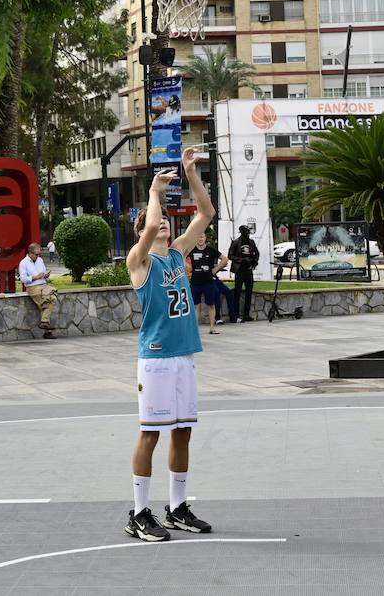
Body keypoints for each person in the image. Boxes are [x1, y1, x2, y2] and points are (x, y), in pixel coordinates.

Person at [124, 148, 214, 542]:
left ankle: (176, 507)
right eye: (153, 223)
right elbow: (149, 227)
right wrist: (154, 193)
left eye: (162, 223)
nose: (161, 226)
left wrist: (191, 173)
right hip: (156, 361)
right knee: (151, 434)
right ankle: (139, 512)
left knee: (183, 432)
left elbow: (206, 214)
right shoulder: (139, 261)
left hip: (183, 358)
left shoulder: (178, 254)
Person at [185, 234, 227, 335]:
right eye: (198, 237)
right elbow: (181, 256)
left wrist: (215, 269)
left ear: (205, 238)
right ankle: (195, 330)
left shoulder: (211, 250)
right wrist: (187, 267)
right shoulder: (192, 250)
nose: (200, 239)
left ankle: (212, 328)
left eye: (202, 237)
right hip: (195, 282)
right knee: (196, 306)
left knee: (211, 305)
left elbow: (225, 259)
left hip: (208, 282)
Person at [18, 243, 58, 339]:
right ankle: (47, 330)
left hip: (43, 285)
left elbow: (43, 272)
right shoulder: (23, 263)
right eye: (36, 254)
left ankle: (44, 323)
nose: (38, 256)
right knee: (45, 304)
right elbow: (23, 279)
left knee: (53, 298)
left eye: (39, 254)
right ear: (30, 253)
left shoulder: (40, 260)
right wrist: (35, 277)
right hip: (32, 287)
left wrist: (46, 274)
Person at [227, 224, 260, 323]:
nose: (248, 233)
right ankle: (236, 314)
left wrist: (254, 263)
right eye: (246, 231)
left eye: (248, 231)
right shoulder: (236, 242)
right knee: (237, 292)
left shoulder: (251, 242)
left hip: (248, 270)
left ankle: (246, 314)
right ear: (241, 232)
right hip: (239, 270)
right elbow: (230, 255)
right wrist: (241, 260)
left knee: (249, 292)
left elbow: (257, 253)